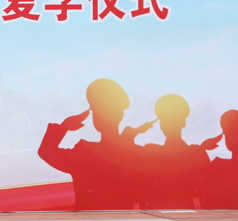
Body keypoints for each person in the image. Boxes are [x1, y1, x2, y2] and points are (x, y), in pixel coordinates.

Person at [38, 78, 153, 210]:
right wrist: (128, 139)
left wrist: (65, 126)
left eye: (96, 111)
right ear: (120, 115)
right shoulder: (135, 155)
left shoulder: (84, 153)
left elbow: (46, 151)